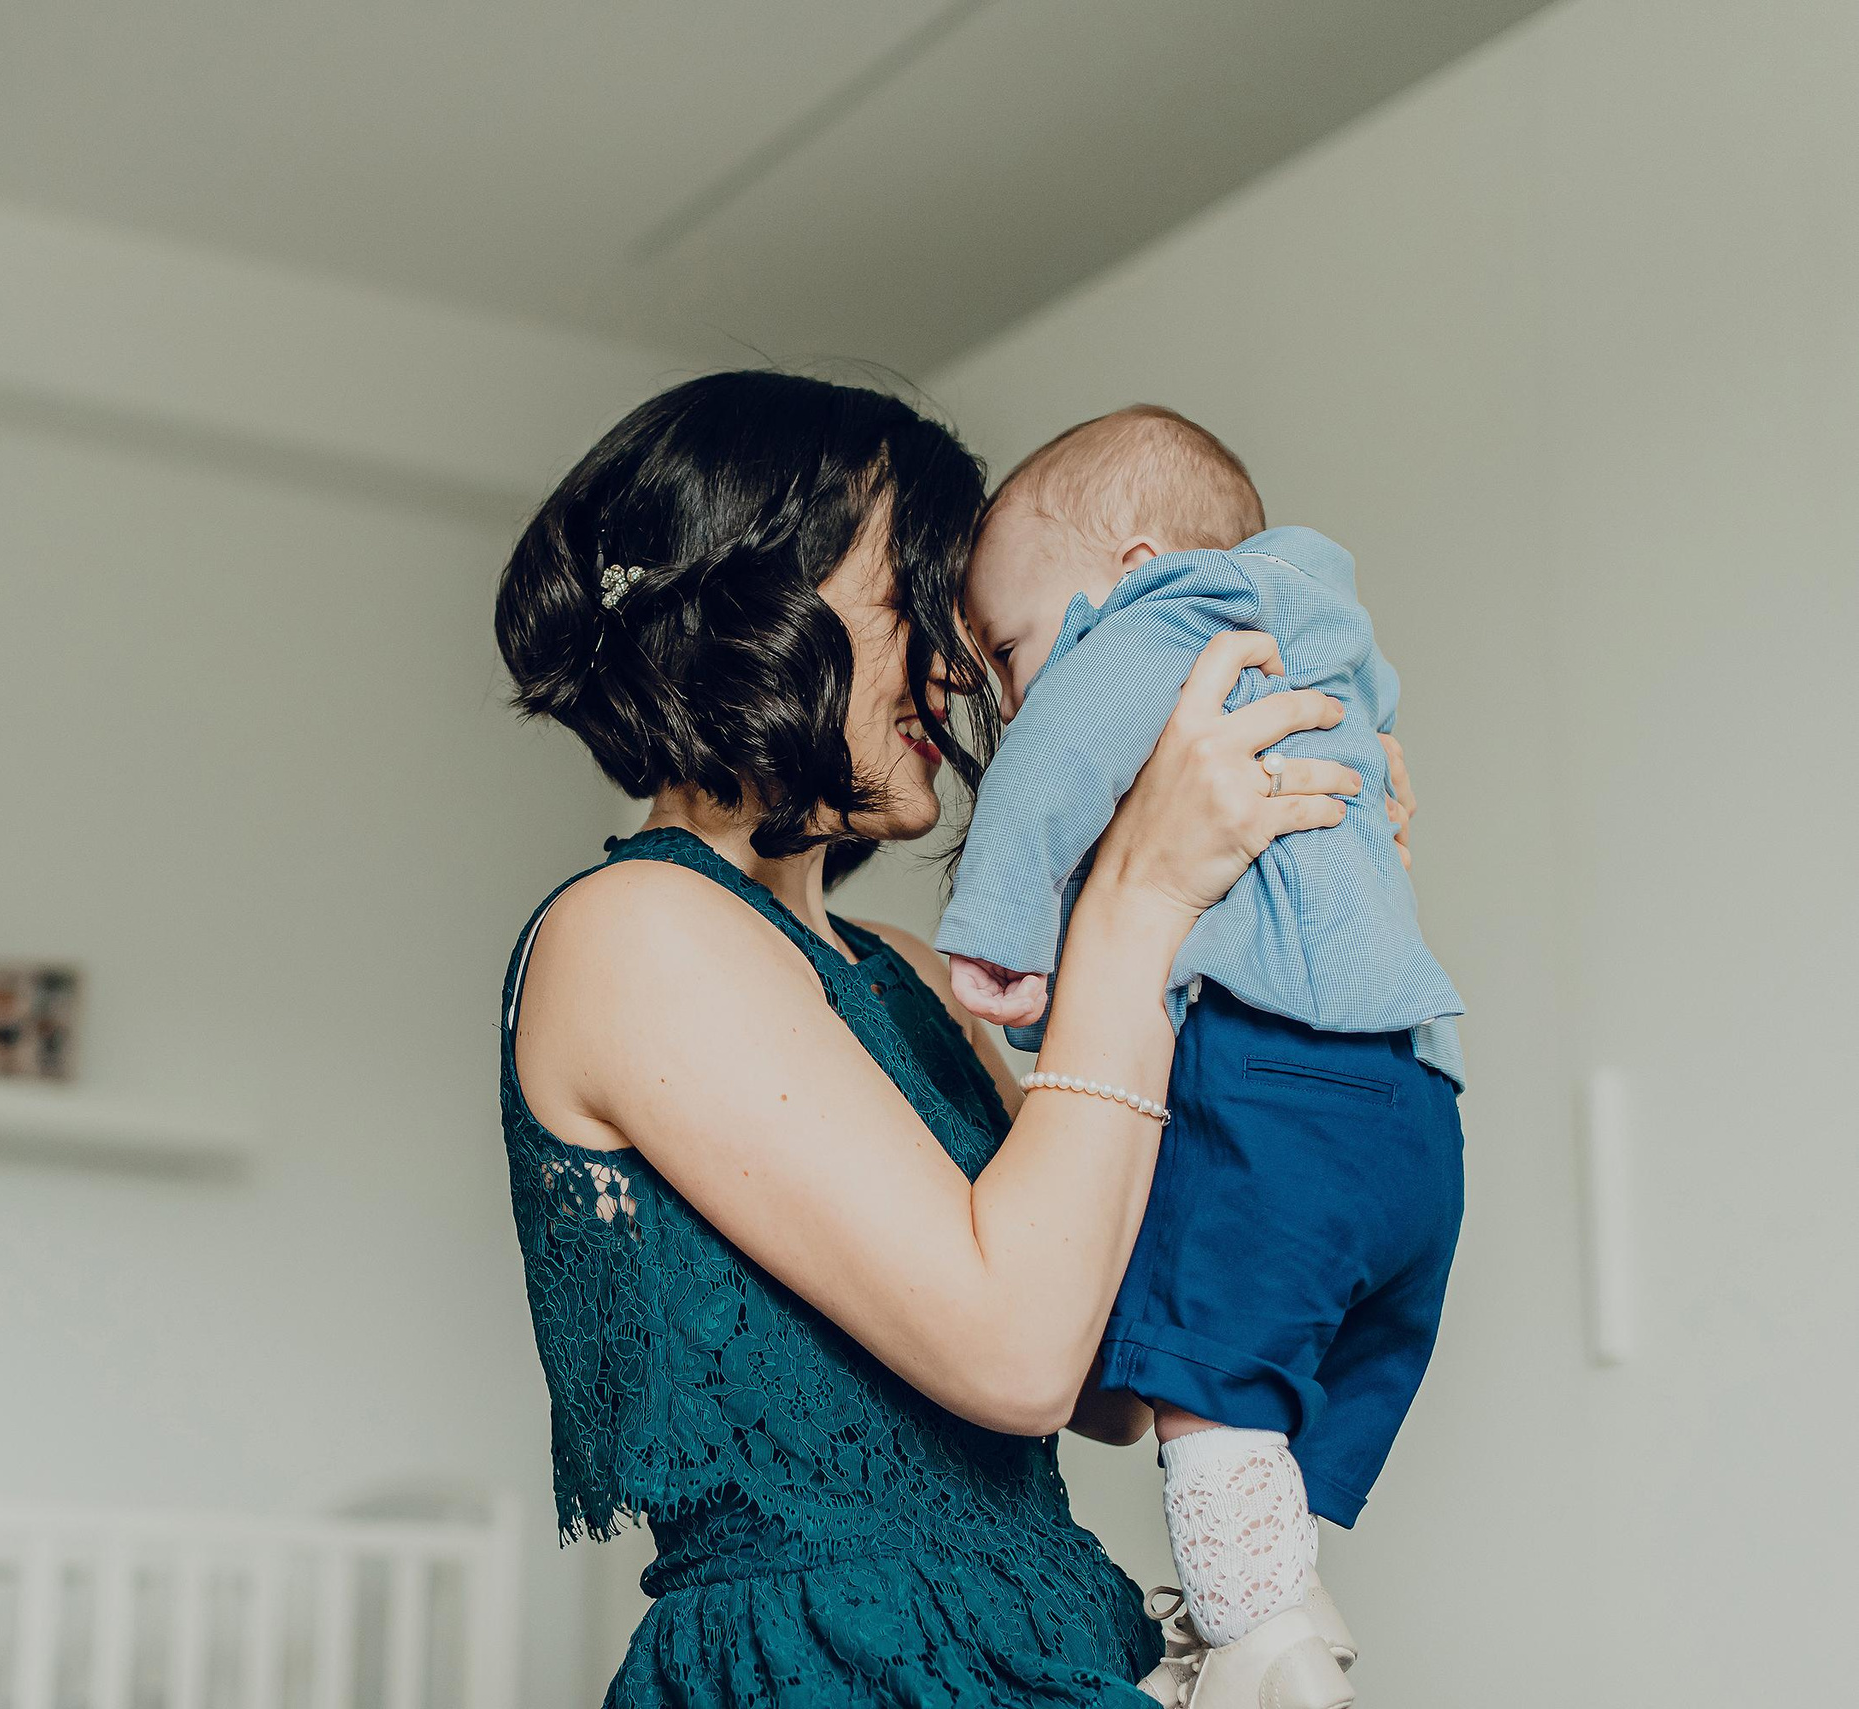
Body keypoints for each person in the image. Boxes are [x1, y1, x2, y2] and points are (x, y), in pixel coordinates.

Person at [492, 372, 1414, 1707]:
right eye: (913, 604)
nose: (957, 667)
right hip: (827, 1668)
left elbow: (1112, 1372)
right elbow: (1015, 1354)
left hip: (1044, 1638)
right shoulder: (633, 929)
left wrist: (1270, 922)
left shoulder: (916, 977)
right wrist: (1137, 898)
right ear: (758, 606)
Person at [937, 407, 1465, 1704]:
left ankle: (1261, 1645)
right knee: (1300, 1382)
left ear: (1129, 565)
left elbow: (1057, 754)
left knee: (1214, 1389)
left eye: (1008, 648)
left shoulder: (1174, 615)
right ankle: (1274, 1599)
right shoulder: (1329, 636)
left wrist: (1004, 927)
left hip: (1281, 1078)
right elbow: (1377, 795)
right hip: (1418, 1095)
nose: (1003, 695)